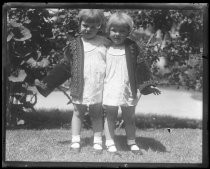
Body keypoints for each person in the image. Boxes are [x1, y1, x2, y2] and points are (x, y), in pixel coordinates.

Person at [35, 9, 110, 153]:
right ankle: (75, 141)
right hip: (79, 86)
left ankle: (98, 141)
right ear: (80, 24)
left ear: (99, 26)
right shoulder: (74, 45)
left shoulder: (105, 44)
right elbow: (64, 67)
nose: (88, 29)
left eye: (93, 26)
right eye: (85, 25)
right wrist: (46, 84)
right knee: (77, 112)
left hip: (98, 86)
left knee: (97, 114)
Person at [102, 12, 161, 155]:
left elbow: (141, 67)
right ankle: (110, 143)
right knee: (110, 116)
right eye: (114, 30)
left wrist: (148, 85)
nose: (117, 34)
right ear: (108, 30)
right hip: (109, 87)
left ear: (128, 32)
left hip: (128, 88)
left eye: (122, 31)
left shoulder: (132, 47)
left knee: (129, 117)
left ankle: (132, 142)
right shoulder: (104, 46)